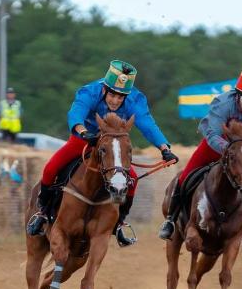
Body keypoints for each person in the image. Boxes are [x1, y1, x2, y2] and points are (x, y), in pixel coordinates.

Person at [26, 60, 179, 247]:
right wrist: (83, 132)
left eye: (121, 97)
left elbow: (147, 125)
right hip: (84, 140)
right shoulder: (89, 91)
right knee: (51, 168)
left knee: (131, 180)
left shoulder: (135, 99)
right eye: (112, 95)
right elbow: (76, 114)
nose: (115, 100)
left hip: (112, 145)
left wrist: (164, 148)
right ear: (105, 89)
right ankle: (42, 213)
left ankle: (120, 223)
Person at [158, 68, 242, 263]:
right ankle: (170, 220)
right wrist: (229, 151)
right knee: (185, 177)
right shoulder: (223, 103)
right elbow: (211, 135)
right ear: (238, 97)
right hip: (216, 145)